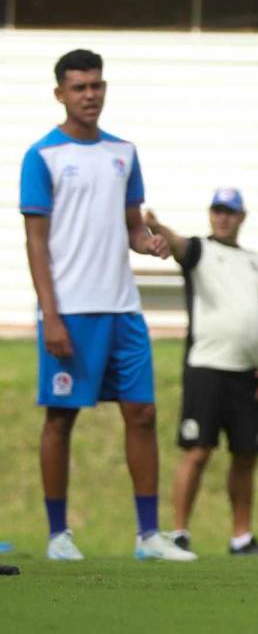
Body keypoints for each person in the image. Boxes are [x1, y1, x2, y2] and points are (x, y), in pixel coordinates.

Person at [19, 49, 196, 562]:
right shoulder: (43, 156)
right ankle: (58, 536)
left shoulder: (124, 152)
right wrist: (49, 314)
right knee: (60, 419)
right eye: (79, 87)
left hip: (123, 308)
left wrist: (151, 243)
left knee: (141, 414)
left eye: (96, 85)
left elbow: (132, 227)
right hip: (69, 311)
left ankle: (148, 537)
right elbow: (36, 242)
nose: (89, 95)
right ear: (60, 94)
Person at [144, 189, 258, 556]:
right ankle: (179, 531)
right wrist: (157, 227)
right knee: (198, 451)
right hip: (206, 368)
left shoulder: (254, 262)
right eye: (218, 211)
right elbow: (177, 244)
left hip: (246, 373)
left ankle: (241, 536)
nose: (223, 218)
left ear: (241, 217)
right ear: (210, 215)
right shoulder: (201, 251)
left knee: (246, 454)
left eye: (230, 212)